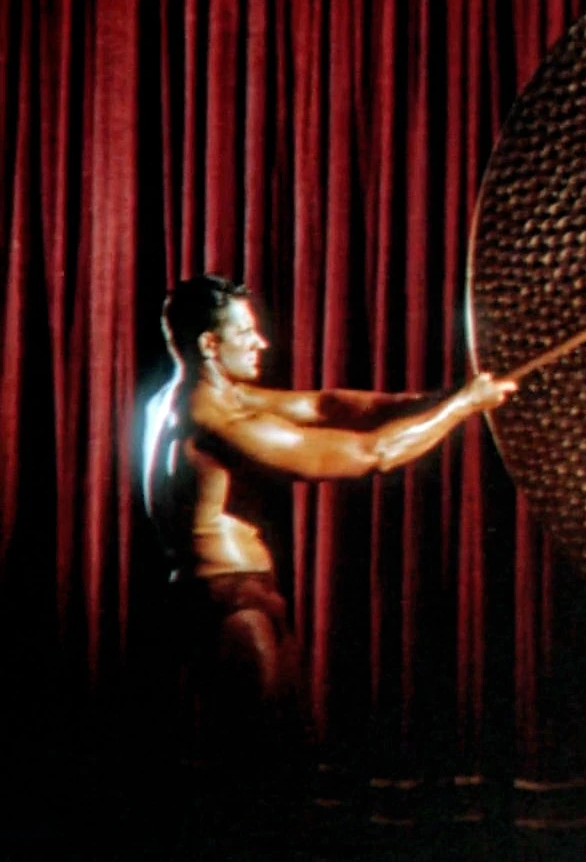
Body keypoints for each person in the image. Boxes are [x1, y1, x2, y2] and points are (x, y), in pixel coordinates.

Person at [140, 274, 514, 834]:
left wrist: (439, 398)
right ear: (209, 344)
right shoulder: (215, 418)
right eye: (245, 333)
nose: (261, 343)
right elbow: (372, 453)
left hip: (227, 593)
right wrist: (462, 408)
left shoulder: (192, 396)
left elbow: (325, 404)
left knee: (273, 765)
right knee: (262, 777)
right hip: (228, 603)